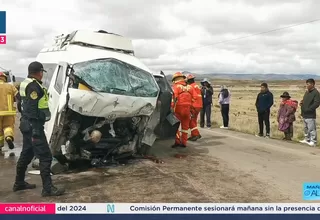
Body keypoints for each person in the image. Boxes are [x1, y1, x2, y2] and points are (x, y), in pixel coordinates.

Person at [13, 61, 65, 197]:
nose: (42, 75)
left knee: (27, 153)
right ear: (39, 72)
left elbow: (20, 104)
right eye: (42, 72)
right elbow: (31, 108)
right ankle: (48, 189)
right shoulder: (34, 86)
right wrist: (36, 126)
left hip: (26, 124)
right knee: (45, 156)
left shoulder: (24, 84)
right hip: (33, 126)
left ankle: (19, 183)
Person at [171, 72, 194, 148]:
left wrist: (171, 107)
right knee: (185, 127)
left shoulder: (176, 87)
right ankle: (184, 143)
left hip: (179, 108)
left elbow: (174, 98)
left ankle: (177, 141)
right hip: (188, 109)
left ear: (175, 79)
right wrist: (191, 108)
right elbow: (194, 98)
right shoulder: (190, 87)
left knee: (176, 126)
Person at [0, 72, 18, 151]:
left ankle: (0, 145)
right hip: (9, 112)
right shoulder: (10, 86)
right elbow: (18, 96)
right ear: (5, 78)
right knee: (8, 127)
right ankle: (8, 137)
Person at [299, 79, 320, 147]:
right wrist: (302, 103)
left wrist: (309, 109)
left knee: (311, 128)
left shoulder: (316, 93)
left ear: (312, 84)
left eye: (308, 84)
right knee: (306, 128)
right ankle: (307, 139)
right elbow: (305, 100)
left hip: (310, 114)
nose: (307, 85)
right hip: (304, 113)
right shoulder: (307, 92)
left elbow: (316, 103)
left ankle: (313, 141)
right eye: (306, 84)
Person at [186, 74, 202, 141]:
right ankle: (193, 135)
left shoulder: (190, 87)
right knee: (194, 120)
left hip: (194, 106)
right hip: (199, 105)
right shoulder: (196, 86)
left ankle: (196, 134)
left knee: (191, 120)